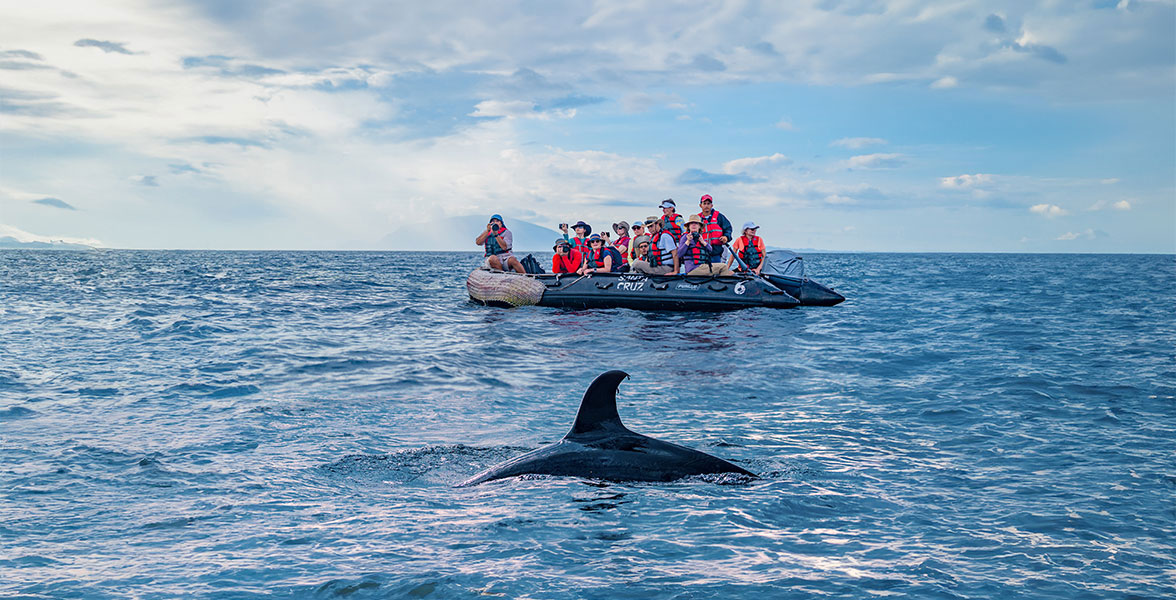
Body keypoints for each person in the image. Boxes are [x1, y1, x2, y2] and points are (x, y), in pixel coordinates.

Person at [696, 194, 733, 266]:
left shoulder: (719, 216)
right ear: (700, 205)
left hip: (716, 252)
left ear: (711, 205)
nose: (706, 206)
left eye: (708, 204)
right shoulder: (697, 218)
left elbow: (728, 228)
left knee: (716, 271)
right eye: (704, 203)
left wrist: (726, 237)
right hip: (701, 252)